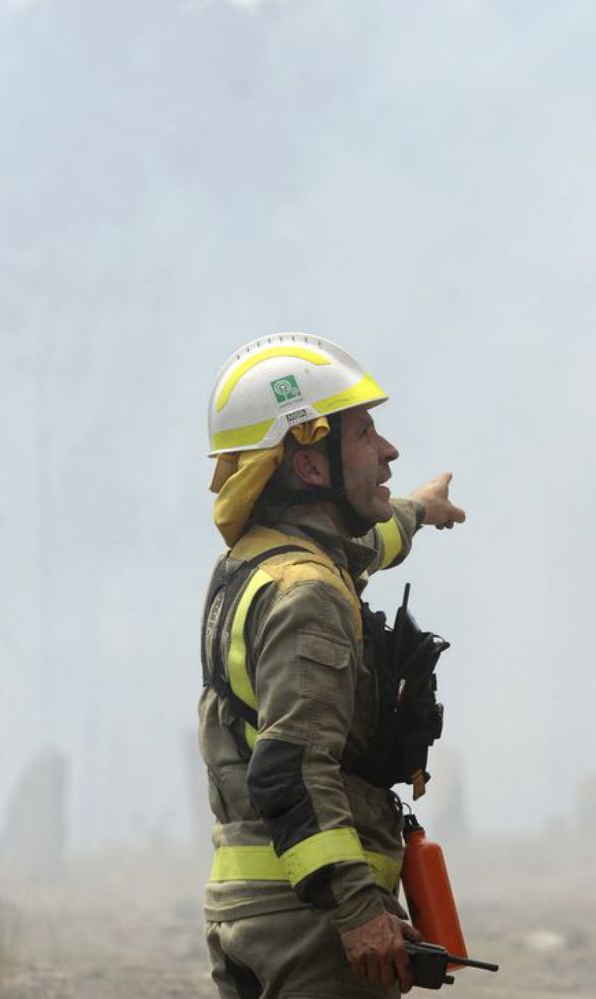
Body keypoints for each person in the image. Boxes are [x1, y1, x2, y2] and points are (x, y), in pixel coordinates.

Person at [198, 333, 467, 997]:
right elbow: (292, 765)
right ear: (312, 466)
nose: (389, 451)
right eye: (365, 433)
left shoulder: (260, 563)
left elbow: (366, 544)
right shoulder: (309, 593)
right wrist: (356, 909)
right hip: (311, 925)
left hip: (256, 911)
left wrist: (421, 510)